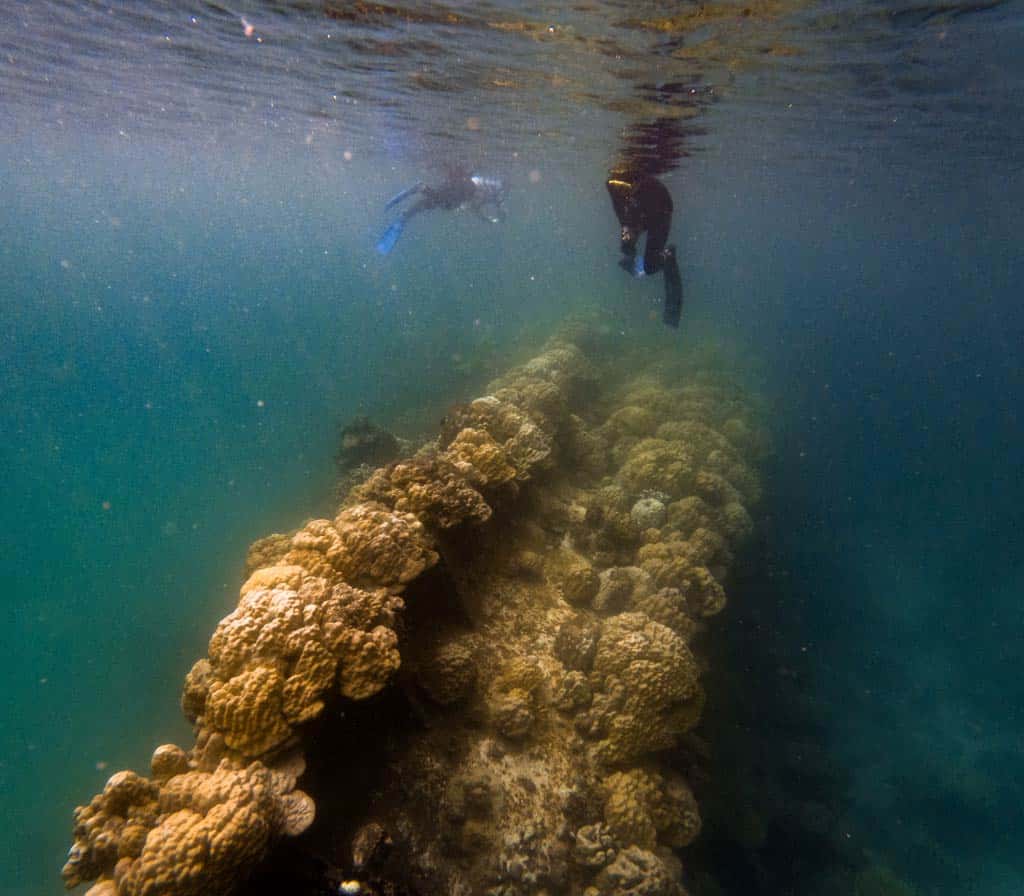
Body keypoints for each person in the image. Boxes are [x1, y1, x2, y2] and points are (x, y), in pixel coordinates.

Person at [606, 171, 683, 328]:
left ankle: (668, 256)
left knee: (651, 265)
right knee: (628, 248)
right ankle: (635, 259)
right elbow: (613, 191)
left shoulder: (651, 203)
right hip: (642, 207)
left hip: (660, 211)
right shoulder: (622, 204)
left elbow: (632, 216)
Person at [376, 166, 508, 256]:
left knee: (436, 202)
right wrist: (494, 219)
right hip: (465, 188)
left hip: (461, 188)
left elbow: (476, 208)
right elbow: (486, 207)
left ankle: (406, 215)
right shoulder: (497, 191)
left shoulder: (491, 188)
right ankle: (421, 188)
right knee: (441, 201)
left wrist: (489, 219)